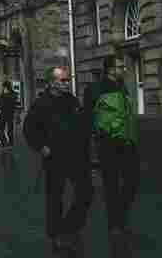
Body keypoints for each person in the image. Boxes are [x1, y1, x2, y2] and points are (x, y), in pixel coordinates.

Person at [24, 66, 93, 253]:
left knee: (86, 192)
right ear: (52, 82)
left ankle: (69, 226)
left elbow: (81, 123)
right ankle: (55, 235)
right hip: (54, 157)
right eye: (62, 80)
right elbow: (29, 129)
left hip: (76, 156)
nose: (66, 83)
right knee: (55, 198)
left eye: (67, 80)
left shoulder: (71, 100)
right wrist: (41, 146)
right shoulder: (41, 103)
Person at [84, 56, 140, 239]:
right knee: (112, 185)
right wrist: (98, 134)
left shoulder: (123, 87)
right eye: (120, 66)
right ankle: (115, 224)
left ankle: (120, 217)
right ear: (110, 70)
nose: (124, 69)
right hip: (108, 143)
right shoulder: (94, 89)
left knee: (132, 181)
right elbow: (87, 115)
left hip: (127, 142)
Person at [0, 82, 19, 146]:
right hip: (4, 113)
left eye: (4, 87)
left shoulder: (12, 94)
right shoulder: (3, 94)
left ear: (6, 87)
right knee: (1, 128)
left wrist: (5, 95)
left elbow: (14, 103)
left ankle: (9, 142)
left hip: (9, 113)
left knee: (9, 129)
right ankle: (5, 142)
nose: (3, 88)